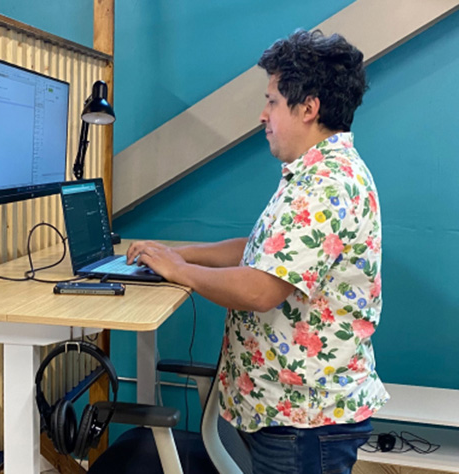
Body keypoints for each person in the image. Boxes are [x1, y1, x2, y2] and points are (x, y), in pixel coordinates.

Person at [126, 30, 388, 474]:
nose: (262, 115)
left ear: (308, 108)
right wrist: (177, 254)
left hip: (305, 420)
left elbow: (261, 289)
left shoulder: (324, 186)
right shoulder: (313, 174)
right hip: (293, 410)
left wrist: (181, 271)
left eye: (272, 102)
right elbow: (259, 252)